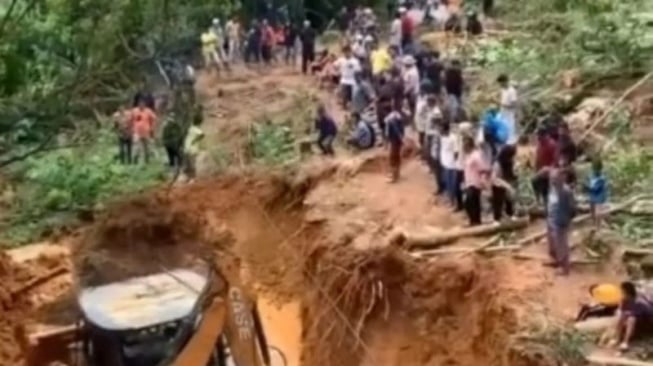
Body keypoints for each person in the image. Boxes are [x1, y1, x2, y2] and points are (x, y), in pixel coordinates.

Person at [546, 168, 576, 276]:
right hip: (554, 220)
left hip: (561, 221)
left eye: (555, 178)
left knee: (562, 245)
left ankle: (564, 268)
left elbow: (572, 208)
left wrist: (566, 219)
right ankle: (560, 264)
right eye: (552, 178)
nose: (553, 181)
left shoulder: (565, 191)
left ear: (562, 179)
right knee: (557, 244)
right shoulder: (555, 189)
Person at [610, 281, 653, 351]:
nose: (621, 293)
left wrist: (625, 314)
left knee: (631, 319)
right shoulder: (624, 300)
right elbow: (621, 310)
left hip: (648, 320)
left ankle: (625, 342)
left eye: (623, 292)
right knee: (621, 317)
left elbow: (634, 314)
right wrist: (620, 313)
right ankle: (616, 338)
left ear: (628, 293)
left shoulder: (639, 302)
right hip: (638, 317)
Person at [463, 135, 488, 226]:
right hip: (469, 182)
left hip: (475, 183)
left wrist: (482, 181)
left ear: (470, 145)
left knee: (469, 203)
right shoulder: (469, 155)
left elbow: (483, 169)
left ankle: (475, 221)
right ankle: (475, 221)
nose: (463, 147)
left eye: (465, 145)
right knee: (474, 203)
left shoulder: (476, 156)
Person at [532, 128, 559, 206]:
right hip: (541, 171)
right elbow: (538, 158)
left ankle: (547, 206)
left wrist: (549, 169)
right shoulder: (540, 144)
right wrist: (536, 169)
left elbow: (556, 160)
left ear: (544, 135)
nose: (538, 138)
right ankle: (538, 201)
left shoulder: (552, 144)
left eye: (539, 136)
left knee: (547, 192)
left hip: (549, 172)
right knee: (535, 182)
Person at [491, 145, 517, 222]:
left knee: (509, 199)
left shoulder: (510, 162)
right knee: (498, 201)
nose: (512, 158)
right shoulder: (497, 163)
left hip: (506, 182)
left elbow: (512, 174)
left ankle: (510, 214)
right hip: (497, 183)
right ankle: (496, 219)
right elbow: (494, 178)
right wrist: (507, 186)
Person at [131, 97, 157, 164]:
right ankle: (135, 160)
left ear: (144, 104)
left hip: (146, 132)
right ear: (138, 104)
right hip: (137, 132)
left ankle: (148, 161)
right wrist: (131, 128)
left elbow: (154, 119)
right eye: (140, 104)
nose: (141, 105)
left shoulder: (148, 111)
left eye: (142, 104)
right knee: (136, 147)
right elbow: (130, 119)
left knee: (148, 147)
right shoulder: (134, 111)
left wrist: (152, 128)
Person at [584, 157, 608, 229]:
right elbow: (590, 183)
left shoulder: (602, 178)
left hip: (599, 197)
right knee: (592, 211)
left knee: (598, 213)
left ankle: (598, 226)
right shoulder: (591, 175)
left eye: (596, 168)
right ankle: (594, 225)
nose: (595, 169)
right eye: (594, 167)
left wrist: (587, 186)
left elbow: (596, 188)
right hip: (592, 196)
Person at [440, 122, 459, 207]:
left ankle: (452, 201)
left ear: (446, 130)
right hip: (445, 162)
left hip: (451, 164)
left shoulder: (453, 138)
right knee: (446, 181)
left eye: (442, 130)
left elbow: (456, 152)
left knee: (451, 183)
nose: (441, 131)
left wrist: (454, 162)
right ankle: (449, 198)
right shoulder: (442, 136)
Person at [385, 102, 405, 182]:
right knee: (396, 156)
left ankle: (394, 177)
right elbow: (401, 129)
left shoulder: (391, 119)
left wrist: (400, 138)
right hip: (397, 140)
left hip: (394, 140)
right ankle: (397, 174)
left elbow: (394, 130)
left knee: (392, 157)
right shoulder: (397, 115)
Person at [498, 74, 519, 147]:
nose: (501, 85)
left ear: (506, 82)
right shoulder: (503, 90)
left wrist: (502, 104)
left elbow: (513, 105)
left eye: (502, 83)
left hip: (509, 114)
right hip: (503, 113)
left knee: (510, 131)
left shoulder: (512, 91)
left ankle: (510, 146)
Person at [183, 114, 204, 182]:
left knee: (191, 164)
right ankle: (189, 177)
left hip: (191, 149)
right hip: (188, 149)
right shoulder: (192, 128)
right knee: (188, 164)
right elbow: (202, 135)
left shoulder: (194, 129)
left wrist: (194, 141)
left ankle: (192, 178)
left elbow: (202, 134)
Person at [402, 55, 420, 122]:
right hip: (411, 92)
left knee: (413, 108)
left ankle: (414, 121)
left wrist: (404, 92)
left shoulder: (412, 72)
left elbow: (411, 85)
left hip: (412, 93)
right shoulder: (411, 70)